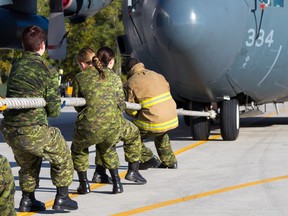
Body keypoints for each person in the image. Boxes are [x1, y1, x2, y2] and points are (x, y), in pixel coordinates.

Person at [1, 25, 78, 212]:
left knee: (29, 161)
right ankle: (62, 197)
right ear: (42, 45)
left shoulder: (17, 65)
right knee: (62, 154)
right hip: (32, 128)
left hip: (10, 129)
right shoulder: (47, 68)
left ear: (22, 44)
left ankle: (27, 200)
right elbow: (53, 110)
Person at [71, 47, 147, 195]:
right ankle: (117, 184)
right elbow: (121, 102)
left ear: (82, 64)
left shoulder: (80, 77)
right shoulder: (114, 76)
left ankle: (84, 184)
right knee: (107, 147)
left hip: (89, 126)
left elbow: (77, 105)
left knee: (78, 149)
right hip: (113, 125)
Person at [124, 58, 178, 169]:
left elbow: (130, 109)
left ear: (128, 71)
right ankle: (170, 162)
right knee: (161, 133)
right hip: (171, 117)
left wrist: (138, 114)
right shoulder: (157, 75)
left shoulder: (131, 82)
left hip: (156, 120)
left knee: (131, 135)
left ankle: (148, 159)